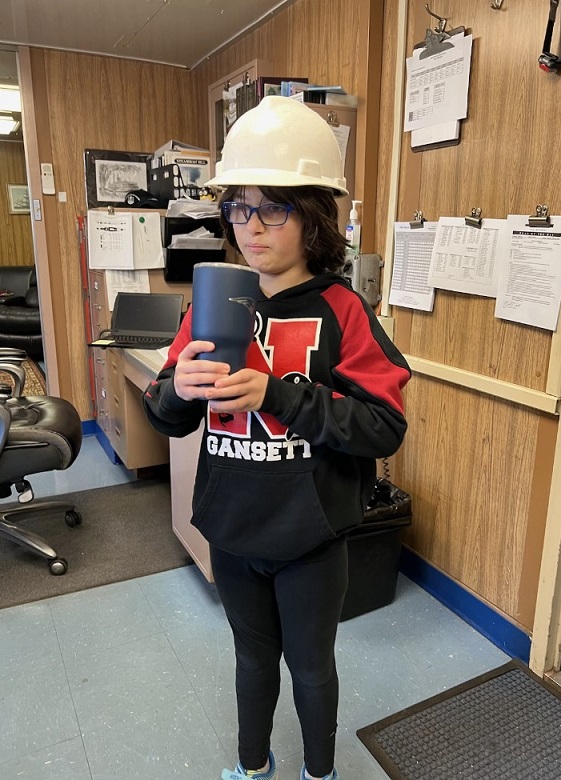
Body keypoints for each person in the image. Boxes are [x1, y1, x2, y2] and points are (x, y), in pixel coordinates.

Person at [143, 96, 411, 780]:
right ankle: (250, 765)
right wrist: (179, 389)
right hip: (232, 528)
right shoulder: (208, 304)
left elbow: (381, 424)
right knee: (251, 658)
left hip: (311, 535)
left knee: (311, 666)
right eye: (238, 206)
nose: (250, 226)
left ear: (313, 215)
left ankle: (317, 772)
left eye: (273, 208)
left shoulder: (342, 309)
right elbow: (168, 415)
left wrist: (278, 393)